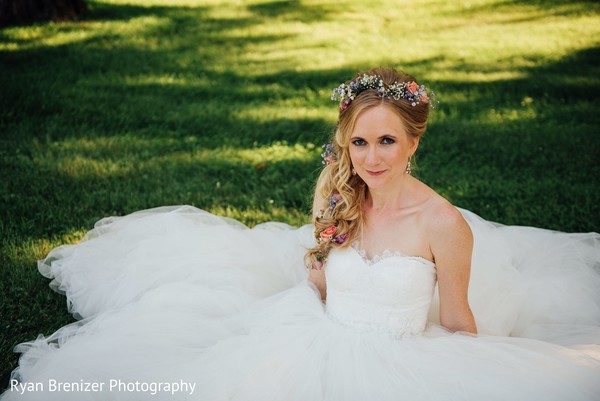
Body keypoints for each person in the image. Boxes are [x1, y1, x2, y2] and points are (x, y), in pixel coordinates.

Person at [2, 67, 599, 401]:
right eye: (359, 141)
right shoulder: (336, 195)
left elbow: (458, 322)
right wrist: (319, 276)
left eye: (387, 140)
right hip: (312, 334)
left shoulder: (444, 225)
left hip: (405, 362)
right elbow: (319, 281)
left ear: (415, 142)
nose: (371, 157)